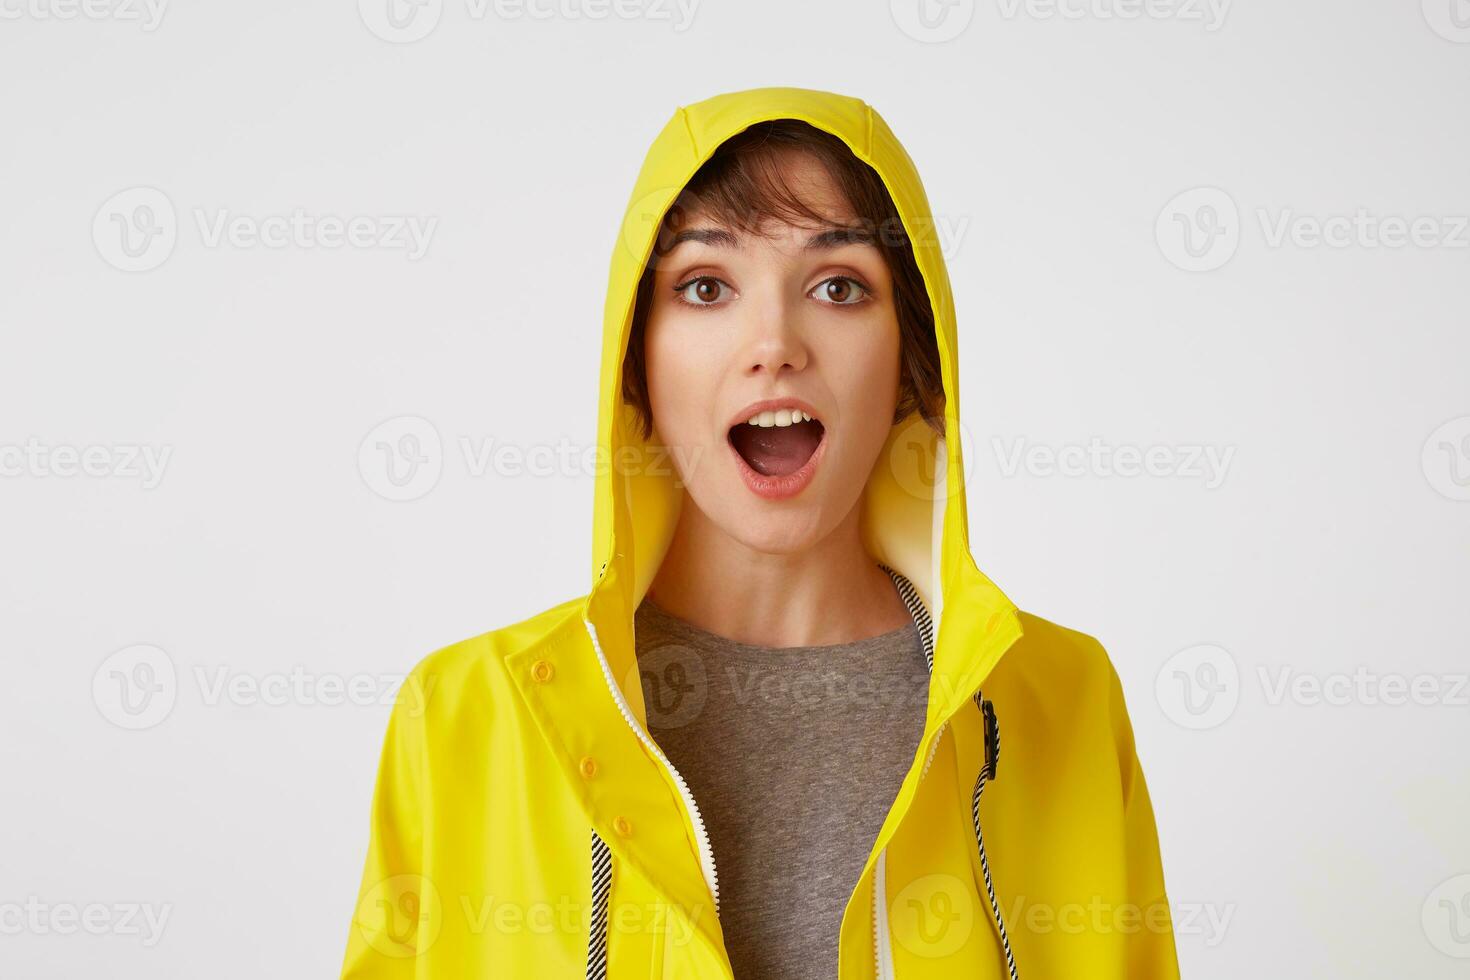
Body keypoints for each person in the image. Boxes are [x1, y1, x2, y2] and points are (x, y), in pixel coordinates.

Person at [340, 85, 1180, 980]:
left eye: (838, 285)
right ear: (636, 363)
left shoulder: (1064, 704)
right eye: (706, 287)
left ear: (909, 364)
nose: (774, 342)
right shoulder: (465, 717)